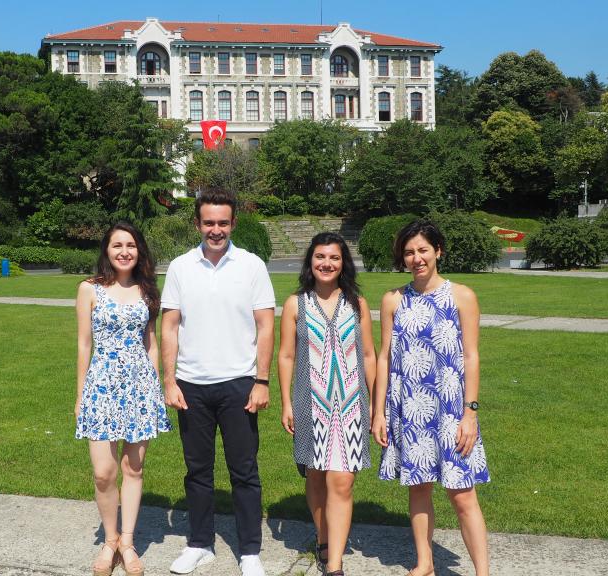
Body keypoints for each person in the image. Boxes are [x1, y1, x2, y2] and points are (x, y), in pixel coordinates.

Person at [160, 189, 275, 576]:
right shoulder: (180, 267)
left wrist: (262, 380)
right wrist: (169, 380)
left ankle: (250, 551)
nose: (216, 229)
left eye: (223, 222)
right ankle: (199, 544)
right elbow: (169, 326)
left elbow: (265, 325)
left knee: (244, 471)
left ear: (233, 223)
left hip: (239, 384)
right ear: (197, 224)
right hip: (191, 385)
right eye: (209, 222)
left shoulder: (252, 266)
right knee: (197, 471)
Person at [372, 219, 490, 576]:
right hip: (409, 408)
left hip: (451, 409)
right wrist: (378, 412)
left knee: (462, 494)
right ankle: (424, 563)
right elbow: (384, 357)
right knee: (418, 487)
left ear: (438, 251)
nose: (416, 258)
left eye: (423, 250)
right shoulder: (393, 300)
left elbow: (471, 356)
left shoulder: (462, 296)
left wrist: (470, 413)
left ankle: (483, 572)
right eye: (409, 252)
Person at [75, 221, 172, 576]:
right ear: (106, 250)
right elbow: (84, 344)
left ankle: (127, 543)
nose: (124, 251)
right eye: (117, 245)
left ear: (139, 250)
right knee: (104, 472)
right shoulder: (89, 289)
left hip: (139, 387)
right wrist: (80, 396)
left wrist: (155, 389)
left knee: (133, 468)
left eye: (130, 245)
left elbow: (151, 343)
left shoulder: (147, 291)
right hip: (101, 386)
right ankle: (109, 540)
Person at [278, 232, 375, 576]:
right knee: (316, 477)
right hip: (311, 402)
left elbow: (368, 355)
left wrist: (376, 404)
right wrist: (286, 401)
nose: (327, 263)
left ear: (343, 263)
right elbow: (286, 355)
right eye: (320, 256)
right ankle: (323, 538)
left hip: (351, 403)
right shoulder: (296, 304)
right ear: (310, 261)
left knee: (342, 482)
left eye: (334, 257)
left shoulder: (357, 303)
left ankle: (334, 563)